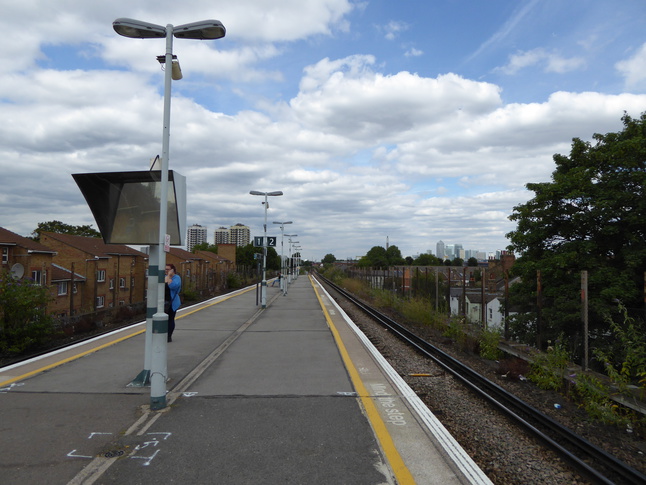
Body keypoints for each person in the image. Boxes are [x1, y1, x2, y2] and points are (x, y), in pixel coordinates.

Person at [164, 263, 181, 342]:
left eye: (168, 269)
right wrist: (167, 279)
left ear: (172, 270)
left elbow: (173, 286)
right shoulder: (163, 277)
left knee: (170, 319)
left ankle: (168, 336)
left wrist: (169, 277)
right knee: (162, 319)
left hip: (171, 302)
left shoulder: (177, 278)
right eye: (165, 269)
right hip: (162, 302)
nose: (166, 271)